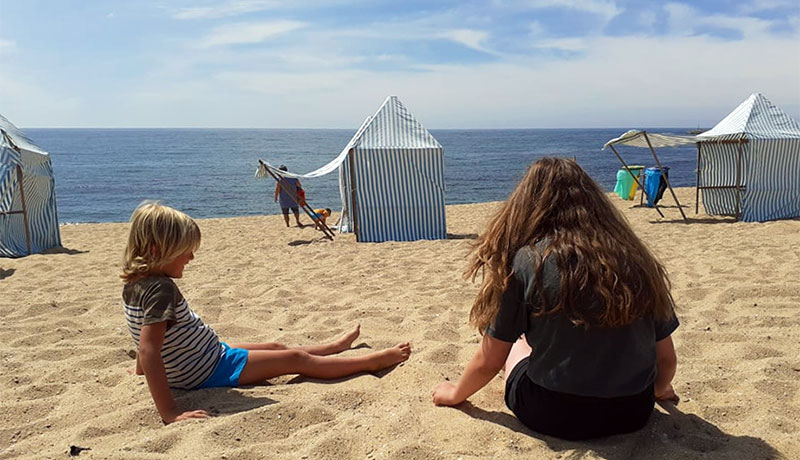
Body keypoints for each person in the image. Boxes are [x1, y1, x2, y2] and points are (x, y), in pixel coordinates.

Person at [432, 157, 678, 440]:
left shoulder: (527, 260)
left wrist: (455, 393)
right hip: (632, 412)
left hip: (553, 413)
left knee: (516, 347)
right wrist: (659, 390)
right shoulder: (636, 258)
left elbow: (489, 360)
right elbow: (666, 358)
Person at [122, 202, 412, 424]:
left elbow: (142, 335)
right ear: (157, 249)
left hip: (204, 356)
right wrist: (170, 412)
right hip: (210, 368)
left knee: (276, 347)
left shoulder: (135, 284)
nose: (191, 257)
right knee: (295, 360)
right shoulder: (162, 290)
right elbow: (149, 349)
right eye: (185, 251)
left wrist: (140, 370)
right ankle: (370, 362)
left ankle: (333, 348)